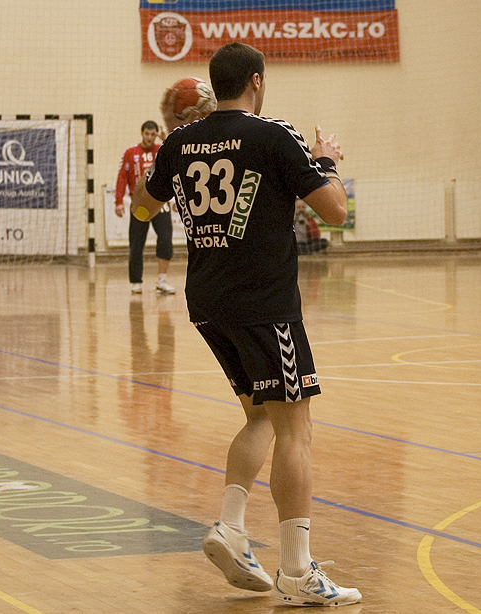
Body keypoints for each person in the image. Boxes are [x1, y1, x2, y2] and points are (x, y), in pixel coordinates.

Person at [131, 42, 361, 606]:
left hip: (209, 303)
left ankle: (232, 529)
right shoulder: (274, 135)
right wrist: (325, 161)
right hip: (265, 304)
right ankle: (297, 571)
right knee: (295, 430)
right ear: (256, 80)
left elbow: (140, 208)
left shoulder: (179, 143)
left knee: (260, 416)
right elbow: (335, 213)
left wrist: (167, 158)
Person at [115, 120, 176, 295]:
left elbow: (176, 158)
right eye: (146, 134)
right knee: (136, 243)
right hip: (140, 205)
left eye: (152, 134)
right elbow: (122, 177)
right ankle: (136, 282)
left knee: (165, 239)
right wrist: (118, 201)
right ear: (142, 133)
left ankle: (162, 280)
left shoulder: (162, 149)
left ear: (156, 134)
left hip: (160, 203)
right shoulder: (131, 152)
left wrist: (166, 139)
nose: (149, 137)